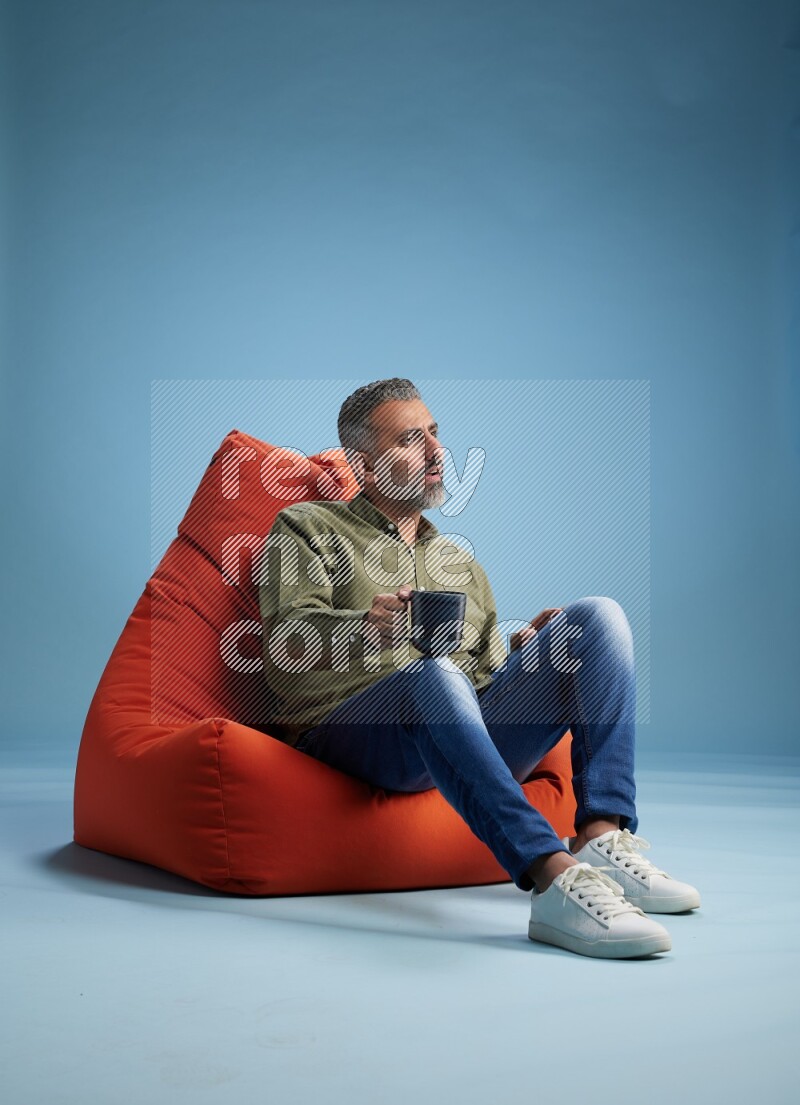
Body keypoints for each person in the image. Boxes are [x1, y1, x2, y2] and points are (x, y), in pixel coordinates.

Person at [257, 378, 700, 959]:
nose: (437, 453)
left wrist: (525, 652)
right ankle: (553, 879)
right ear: (362, 463)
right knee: (433, 676)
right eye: (410, 441)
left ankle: (601, 835)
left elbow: (484, 678)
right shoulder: (307, 526)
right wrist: (365, 627)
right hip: (354, 732)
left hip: (448, 730)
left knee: (597, 619)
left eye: (435, 435)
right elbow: (284, 651)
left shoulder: (458, 561)